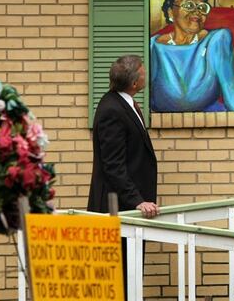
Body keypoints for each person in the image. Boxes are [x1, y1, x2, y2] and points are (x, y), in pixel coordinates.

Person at [87, 55, 159, 292]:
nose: (145, 74)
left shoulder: (123, 103)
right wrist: (138, 201)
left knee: (130, 273)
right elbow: (113, 166)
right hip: (118, 208)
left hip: (129, 207)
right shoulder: (112, 110)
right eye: (143, 71)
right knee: (119, 276)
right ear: (134, 83)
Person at [151, 0, 234, 112]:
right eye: (189, 5)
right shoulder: (153, 46)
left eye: (202, 7)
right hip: (161, 121)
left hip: (208, 116)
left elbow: (232, 92)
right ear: (171, 12)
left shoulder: (217, 40)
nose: (197, 12)